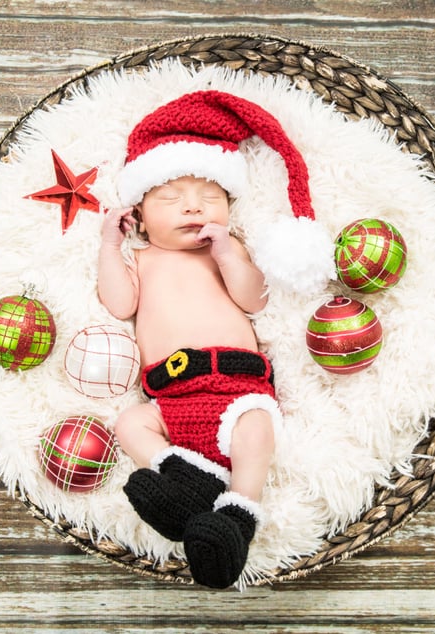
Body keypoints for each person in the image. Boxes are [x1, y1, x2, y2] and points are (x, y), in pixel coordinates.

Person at [96, 90, 328, 588]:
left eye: (209, 199)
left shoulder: (228, 250)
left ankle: (239, 512)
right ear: (138, 212)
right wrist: (110, 245)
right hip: (170, 398)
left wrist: (228, 255)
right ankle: (187, 482)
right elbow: (119, 305)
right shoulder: (141, 258)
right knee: (130, 423)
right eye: (171, 199)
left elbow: (255, 300)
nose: (192, 208)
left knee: (255, 432)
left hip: (234, 386)